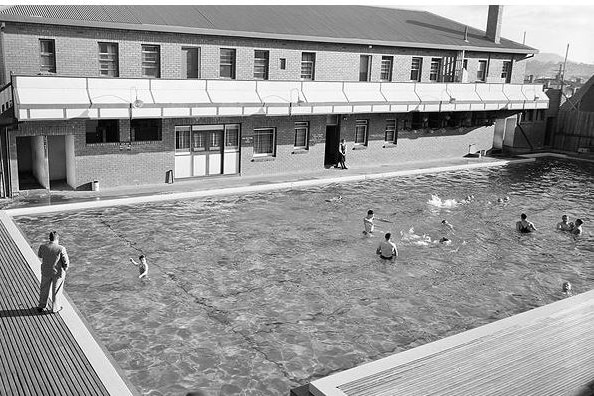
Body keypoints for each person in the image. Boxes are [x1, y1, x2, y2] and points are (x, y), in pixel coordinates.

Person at [37, 231, 70, 314]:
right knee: (56, 291)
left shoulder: (43, 246)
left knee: (44, 288)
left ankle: (41, 305)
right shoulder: (61, 248)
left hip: (46, 271)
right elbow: (66, 262)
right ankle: (55, 308)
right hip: (57, 273)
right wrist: (65, 268)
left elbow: (40, 255)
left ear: (49, 238)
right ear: (57, 238)